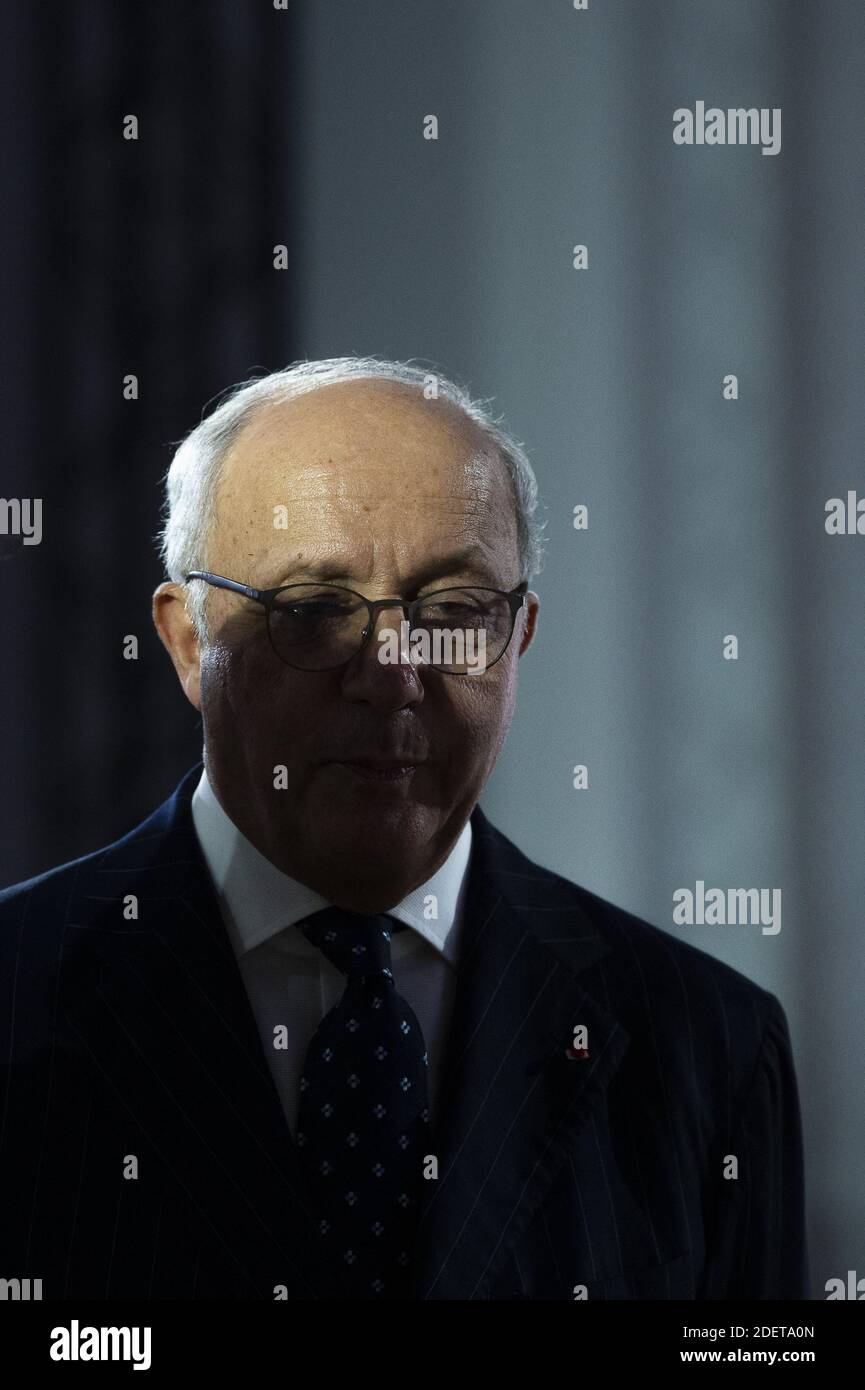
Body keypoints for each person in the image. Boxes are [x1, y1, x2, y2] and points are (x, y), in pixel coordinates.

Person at [0, 357, 809, 1300]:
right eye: (311, 612)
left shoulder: (706, 1045)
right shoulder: (22, 987)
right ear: (188, 642)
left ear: (521, 638)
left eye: (455, 610)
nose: (391, 672)